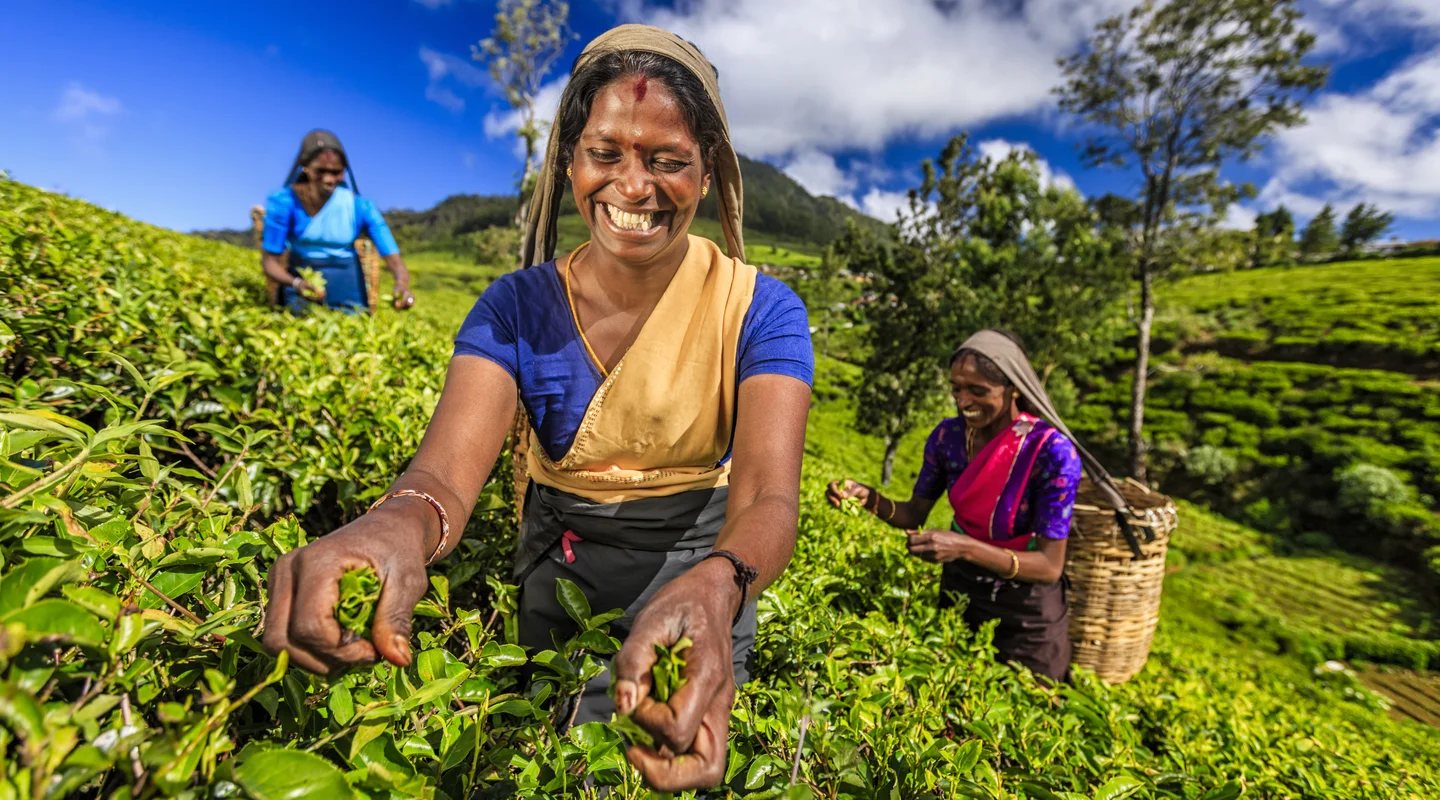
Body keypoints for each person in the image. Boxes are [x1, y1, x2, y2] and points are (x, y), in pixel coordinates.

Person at [261, 25, 813, 792]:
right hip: (564, 572)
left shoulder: (762, 311)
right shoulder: (514, 307)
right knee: (542, 755)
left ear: (709, 169)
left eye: (667, 161)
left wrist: (718, 588)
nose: (631, 187)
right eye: (605, 154)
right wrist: (393, 524)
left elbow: (767, 497)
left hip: (708, 581)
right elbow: (446, 476)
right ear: (570, 159)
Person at [826, 330, 1131, 683]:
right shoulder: (948, 438)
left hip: (1027, 615)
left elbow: (1050, 565)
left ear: (1014, 388)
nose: (963, 401)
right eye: (957, 389)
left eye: (978, 391)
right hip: (961, 597)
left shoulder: (1050, 452)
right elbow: (913, 513)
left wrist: (964, 548)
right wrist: (868, 498)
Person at [260, 129, 415, 313]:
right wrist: (296, 283)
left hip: (348, 286)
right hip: (300, 285)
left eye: (336, 172)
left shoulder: (359, 207)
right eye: (321, 171)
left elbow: (393, 257)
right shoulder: (284, 202)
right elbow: (269, 262)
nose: (328, 179)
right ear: (306, 168)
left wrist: (402, 284)